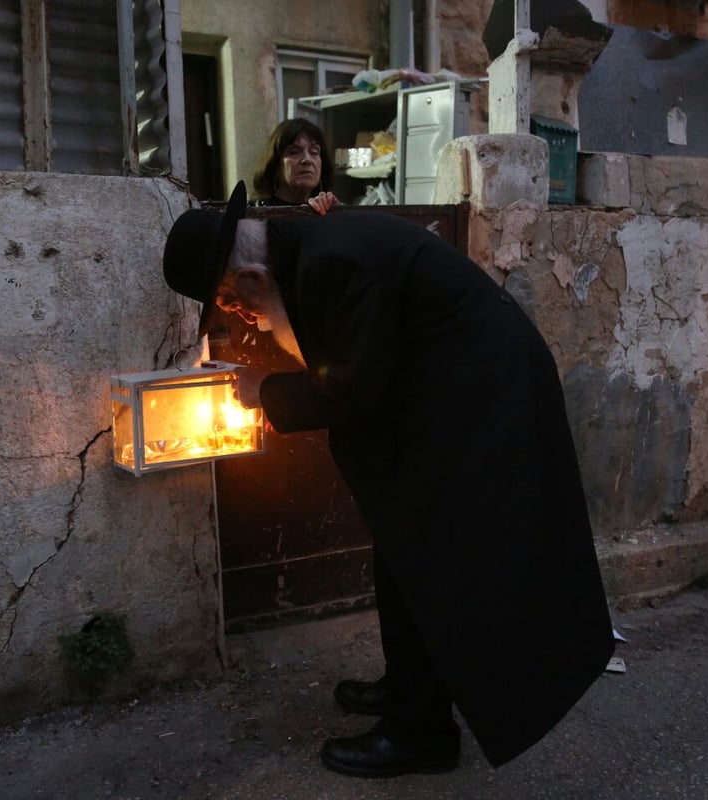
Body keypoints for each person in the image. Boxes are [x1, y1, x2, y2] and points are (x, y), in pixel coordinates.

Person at [162, 181, 615, 779]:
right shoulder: (311, 252)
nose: (237, 315)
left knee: (434, 558)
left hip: (484, 402)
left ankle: (422, 733)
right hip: (453, 393)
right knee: (404, 552)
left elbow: (352, 388)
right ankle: (409, 690)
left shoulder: (332, 261)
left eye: (228, 299)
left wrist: (261, 391)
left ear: (249, 275)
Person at [250, 118, 338, 215]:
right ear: (275, 165)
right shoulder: (257, 214)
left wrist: (339, 216)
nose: (307, 160)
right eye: (294, 152)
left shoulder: (328, 211)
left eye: (314, 152)